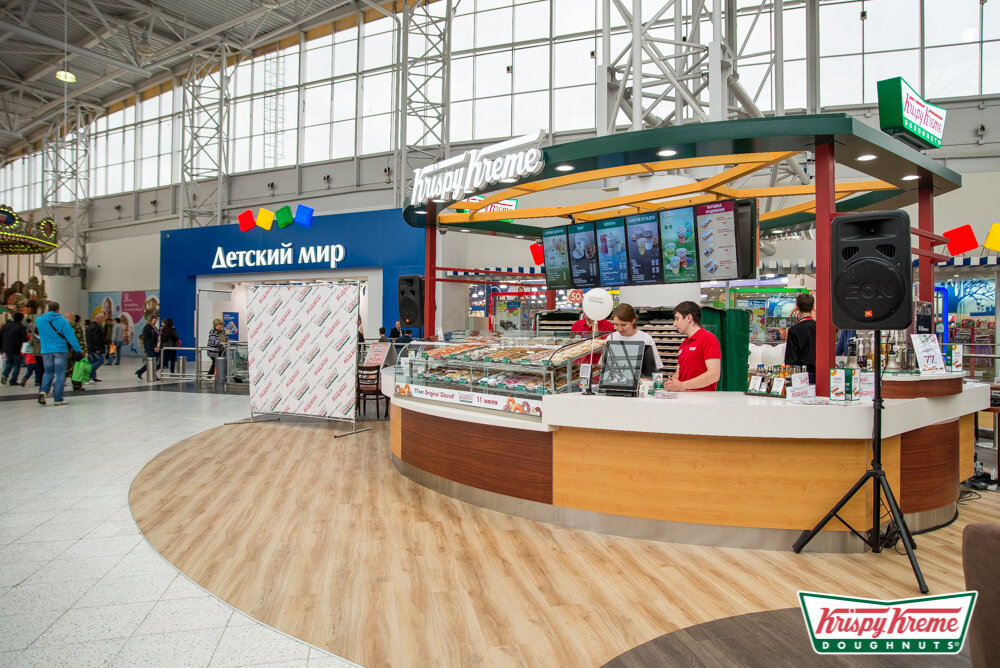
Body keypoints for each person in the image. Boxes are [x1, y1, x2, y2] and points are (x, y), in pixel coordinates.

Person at [664, 301, 721, 392]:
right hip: (684, 397)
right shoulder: (683, 344)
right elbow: (678, 373)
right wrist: (671, 383)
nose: (674, 324)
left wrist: (682, 385)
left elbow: (714, 375)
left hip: (702, 399)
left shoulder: (708, 338)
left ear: (689, 318)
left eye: (677, 319)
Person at [35, 301, 82, 406]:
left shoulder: (39, 320)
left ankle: (43, 391)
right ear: (58, 309)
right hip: (60, 350)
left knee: (48, 372)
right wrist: (78, 349)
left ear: (48, 308)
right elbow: (71, 336)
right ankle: (58, 399)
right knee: (60, 374)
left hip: (46, 350)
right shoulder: (62, 321)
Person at [608, 303, 662, 372]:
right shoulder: (611, 338)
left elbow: (656, 368)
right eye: (616, 324)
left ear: (633, 321)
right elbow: (605, 366)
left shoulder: (646, 339)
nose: (619, 329)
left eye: (623, 325)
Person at [784, 292, 817, 383]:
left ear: (797, 307)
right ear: (812, 308)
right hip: (820, 374)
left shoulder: (794, 330)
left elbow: (790, 358)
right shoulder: (820, 327)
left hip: (800, 376)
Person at [0, 312, 28, 385]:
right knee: (17, 365)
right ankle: (13, 380)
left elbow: (1, 337)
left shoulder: (6, 325)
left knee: (9, 363)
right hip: (18, 348)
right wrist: (24, 349)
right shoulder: (21, 327)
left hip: (7, 348)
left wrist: (1, 348)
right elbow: (24, 339)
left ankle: (4, 374)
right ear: (22, 318)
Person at [66, 313, 88, 391]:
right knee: (77, 369)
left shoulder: (64, 326)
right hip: (76, 352)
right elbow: (81, 340)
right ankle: (77, 386)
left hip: (66, 351)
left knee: (64, 370)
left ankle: (58, 385)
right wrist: (84, 351)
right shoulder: (78, 327)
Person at [85, 314, 106, 383]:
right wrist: (97, 348)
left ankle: (92, 377)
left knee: (93, 361)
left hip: (90, 347)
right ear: (97, 318)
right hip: (95, 348)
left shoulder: (90, 326)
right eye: (101, 318)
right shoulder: (96, 327)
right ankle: (88, 372)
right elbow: (96, 338)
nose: (103, 320)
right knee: (101, 360)